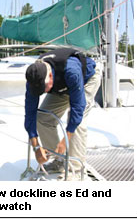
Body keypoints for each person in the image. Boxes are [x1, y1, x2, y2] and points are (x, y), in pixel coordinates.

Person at [24, 47, 102, 180]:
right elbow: (30, 113)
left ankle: (76, 171)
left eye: (44, 88)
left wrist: (66, 139)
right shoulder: (35, 78)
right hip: (61, 86)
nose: (43, 91)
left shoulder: (71, 70)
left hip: (86, 81)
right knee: (43, 118)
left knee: (78, 122)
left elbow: (78, 108)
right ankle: (59, 161)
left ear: (50, 75)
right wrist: (36, 147)